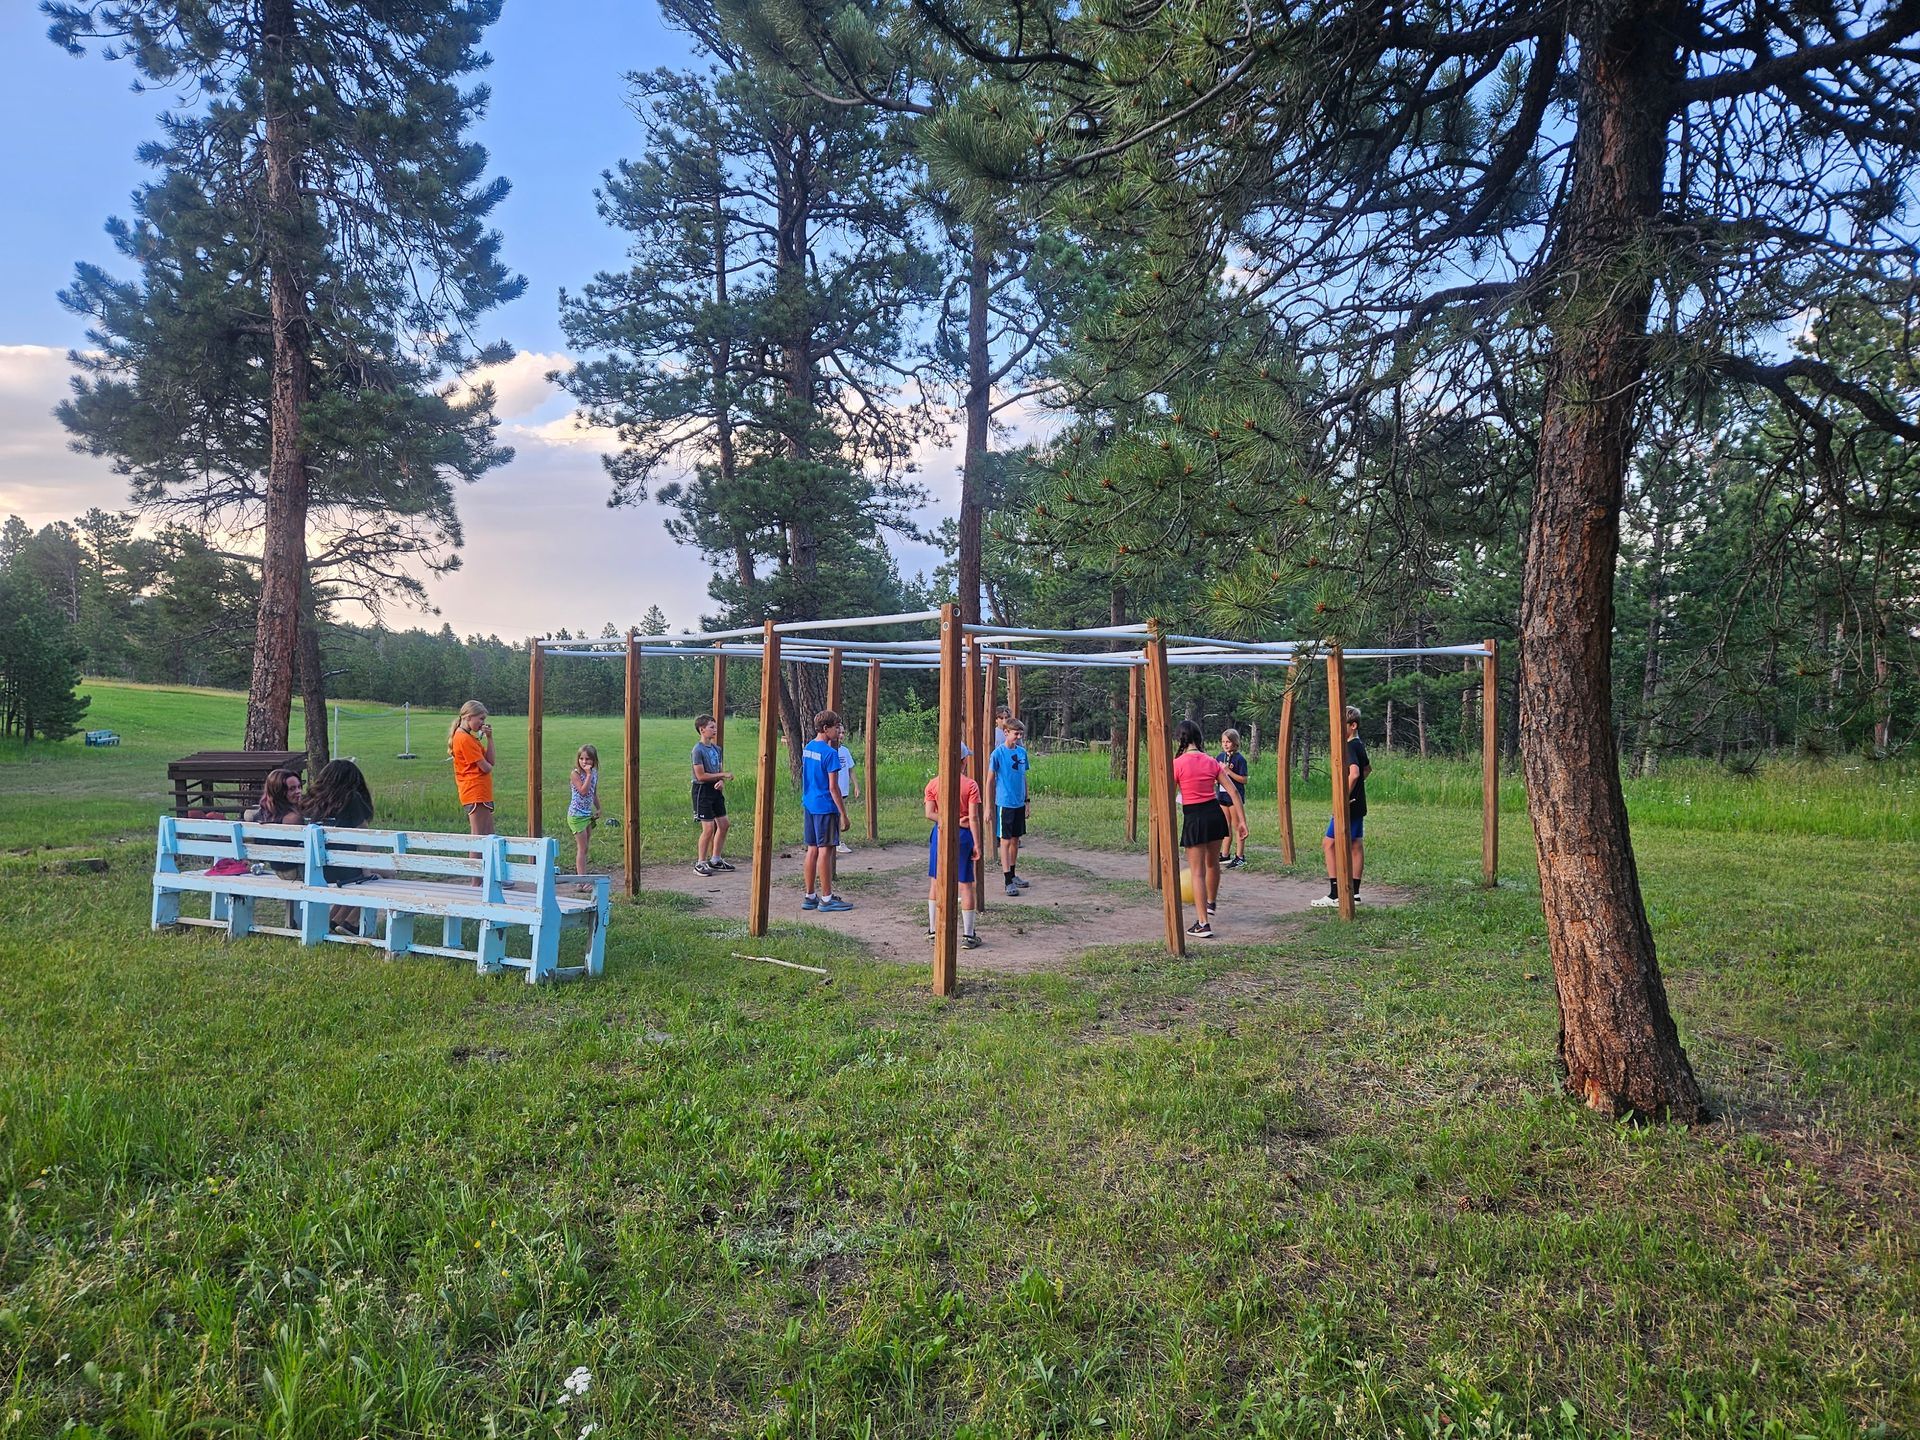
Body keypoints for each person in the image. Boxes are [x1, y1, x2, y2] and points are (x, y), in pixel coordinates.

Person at [1172, 719, 1246, 938]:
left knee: (1197, 873)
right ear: (1199, 738)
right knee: (1212, 863)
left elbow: (1168, 796)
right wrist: (1242, 821)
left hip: (1194, 817)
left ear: (1180, 739)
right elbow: (1233, 791)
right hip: (1215, 815)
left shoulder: (1177, 763)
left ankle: (1203, 923)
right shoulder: (1211, 761)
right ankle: (1211, 903)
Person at [303, 759, 375, 933]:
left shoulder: (310, 800)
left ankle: (333, 921)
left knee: (364, 877)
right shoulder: (351, 799)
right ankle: (352, 924)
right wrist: (366, 872)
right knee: (381, 876)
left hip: (313, 869)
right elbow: (363, 836)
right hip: (342, 869)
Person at [925, 744, 984, 949]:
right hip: (964, 835)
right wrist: (977, 843)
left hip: (940, 833)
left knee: (936, 882)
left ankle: (933, 930)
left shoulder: (933, 784)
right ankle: (968, 935)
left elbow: (929, 813)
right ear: (964, 761)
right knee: (966, 884)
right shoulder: (971, 785)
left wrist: (948, 820)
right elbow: (973, 818)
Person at [1313, 705, 1371, 908]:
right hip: (1357, 802)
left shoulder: (1349, 746)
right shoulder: (1358, 744)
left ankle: (1336, 893)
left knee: (1329, 844)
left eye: (1341, 725)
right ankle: (1354, 893)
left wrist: (1342, 797)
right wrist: (1357, 790)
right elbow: (1367, 769)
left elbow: (1355, 774)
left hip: (1348, 805)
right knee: (1355, 845)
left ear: (1352, 725)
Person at [800, 709, 852, 912]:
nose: (838, 731)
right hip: (825, 807)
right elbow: (833, 787)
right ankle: (827, 898)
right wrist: (843, 814)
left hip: (810, 804)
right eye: (835, 727)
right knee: (825, 851)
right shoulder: (830, 753)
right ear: (825, 728)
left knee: (812, 848)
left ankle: (810, 895)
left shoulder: (808, 748)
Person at [988, 717, 1032, 897]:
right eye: (1016, 734)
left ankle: (1013, 874)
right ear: (1006, 733)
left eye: (1021, 734)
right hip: (1004, 803)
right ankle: (1007, 880)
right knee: (1005, 841)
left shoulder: (1022, 753)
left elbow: (1023, 777)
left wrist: (1027, 801)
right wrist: (988, 807)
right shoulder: (997, 754)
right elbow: (990, 781)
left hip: (1019, 803)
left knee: (1015, 839)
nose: (1018, 737)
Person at [690, 714, 735, 876]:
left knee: (724, 824)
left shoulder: (717, 749)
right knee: (708, 828)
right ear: (702, 730)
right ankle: (700, 863)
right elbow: (700, 775)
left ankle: (715, 859)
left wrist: (721, 780)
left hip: (715, 790)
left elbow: (718, 771)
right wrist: (722, 775)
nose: (715, 730)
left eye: (715, 727)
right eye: (711, 727)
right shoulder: (697, 750)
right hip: (702, 791)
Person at [448, 700, 495, 836]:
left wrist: (489, 738)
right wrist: (488, 765)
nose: (483, 723)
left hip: (481, 792)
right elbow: (486, 767)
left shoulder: (470, 738)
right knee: (479, 837)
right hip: (475, 792)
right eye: (481, 719)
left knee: (489, 835)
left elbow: (491, 761)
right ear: (468, 717)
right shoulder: (464, 739)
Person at [1216, 728, 1251, 868]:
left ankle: (1240, 856)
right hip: (1222, 795)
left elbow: (1244, 779)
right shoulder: (1219, 757)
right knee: (1225, 825)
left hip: (1234, 797)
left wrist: (1228, 772)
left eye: (1228, 742)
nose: (1225, 744)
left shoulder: (1239, 759)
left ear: (1235, 743)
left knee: (1237, 825)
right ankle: (1225, 854)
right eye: (1223, 741)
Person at [567, 744, 602, 875]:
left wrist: (598, 808)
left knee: (585, 848)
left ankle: (583, 876)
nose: (584, 762)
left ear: (594, 760)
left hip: (587, 814)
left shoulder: (594, 773)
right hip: (576, 815)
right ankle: (581, 881)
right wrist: (587, 775)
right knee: (582, 848)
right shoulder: (575, 774)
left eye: (588, 759)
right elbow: (583, 791)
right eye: (581, 758)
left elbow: (593, 792)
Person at [834, 731, 860, 856]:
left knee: (839, 815)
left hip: (843, 790)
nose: (841, 735)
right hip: (833, 790)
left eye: (843, 733)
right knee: (835, 816)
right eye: (839, 732)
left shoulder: (845, 751)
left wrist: (856, 786)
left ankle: (836, 841)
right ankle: (834, 842)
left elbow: (851, 770)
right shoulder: (830, 751)